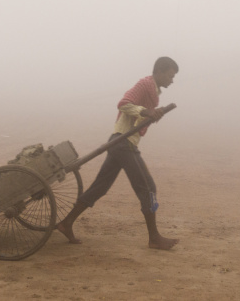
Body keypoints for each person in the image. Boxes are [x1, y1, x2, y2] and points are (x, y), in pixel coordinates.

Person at [56, 56, 180, 250]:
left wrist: (153, 113)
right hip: (123, 143)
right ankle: (154, 237)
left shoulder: (153, 92)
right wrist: (147, 112)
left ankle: (66, 223)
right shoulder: (145, 84)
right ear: (160, 71)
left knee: (100, 187)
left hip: (119, 142)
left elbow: (139, 115)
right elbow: (123, 104)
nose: (172, 80)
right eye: (171, 76)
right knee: (148, 188)